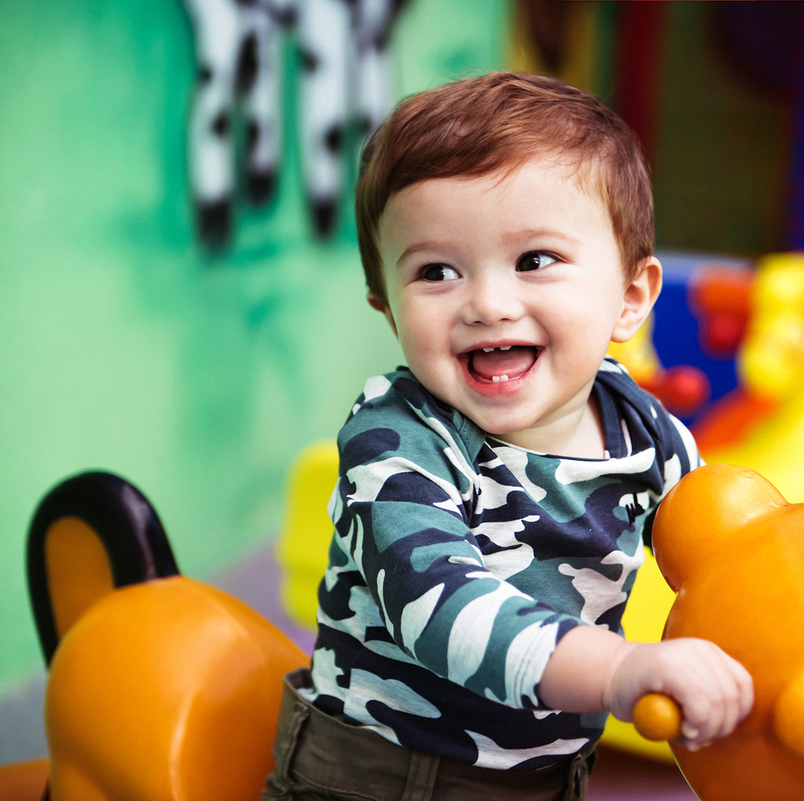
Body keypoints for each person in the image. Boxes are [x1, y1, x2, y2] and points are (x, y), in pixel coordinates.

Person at [261, 71, 754, 801]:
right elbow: (444, 610)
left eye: (534, 260)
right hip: (379, 777)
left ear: (630, 297)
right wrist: (617, 669)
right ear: (389, 309)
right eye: (436, 271)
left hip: (549, 778)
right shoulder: (398, 439)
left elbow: (730, 557)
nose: (488, 303)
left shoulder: (646, 431)